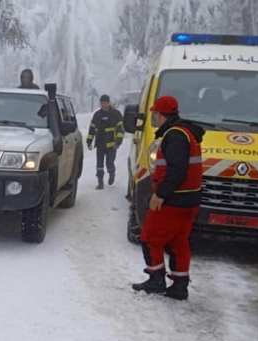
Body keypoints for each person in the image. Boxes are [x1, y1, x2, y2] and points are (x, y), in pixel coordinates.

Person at [132, 96, 204, 300]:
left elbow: (177, 170)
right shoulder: (187, 133)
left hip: (174, 199)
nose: (154, 118)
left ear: (160, 114)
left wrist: (160, 194)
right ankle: (180, 286)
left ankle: (156, 279)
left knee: (149, 237)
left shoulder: (175, 136)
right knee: (178, 241)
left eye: (155, 114)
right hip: (189, 200)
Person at [86, 94, 124, 189]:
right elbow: (92, 129)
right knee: (99, 164)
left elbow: (120, 129)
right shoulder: (97, 115)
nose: (103, 104)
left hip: (112, 145)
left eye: (105, 102)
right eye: (102, 102)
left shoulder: (116, 114)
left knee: (109, 163)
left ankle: (112, 173)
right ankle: (100, 183)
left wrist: (118, 142)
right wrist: (89, 141)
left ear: (108, 102)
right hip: (100, 144)